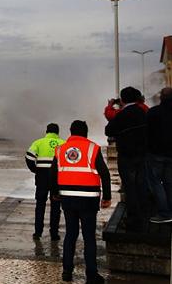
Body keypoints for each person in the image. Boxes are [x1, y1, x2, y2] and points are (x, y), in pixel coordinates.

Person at [50, 120, 111, 284]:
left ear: (71, 132)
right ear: (86, 132)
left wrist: (55, 193)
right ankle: (91, 275)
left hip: (68, 198)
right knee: (89, 236)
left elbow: (53, 173)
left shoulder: (60, 149)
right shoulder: (93, 148)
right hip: (89, 199)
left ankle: (67, 272)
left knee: (70, 234)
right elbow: (104, 174)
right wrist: (107, 197)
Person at [105, 86, 148, 231]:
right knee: (142, 184)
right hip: (143, 154)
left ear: (122, 100)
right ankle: (144, 214)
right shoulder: (143, 111)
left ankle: (134, 219)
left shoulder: (122, 114)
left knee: (130, 187)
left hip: (126, 155)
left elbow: (108, 130)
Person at [25, 123, 65, 240]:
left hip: (42, 177)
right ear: (58, 133)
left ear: (46, 132)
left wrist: (35, 170)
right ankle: (54, 233)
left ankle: (38, 232)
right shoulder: (63, 143)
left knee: (40, 205)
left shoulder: (38, 142)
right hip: (57, 178)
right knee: (56, 206)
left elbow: (29, 157)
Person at [146, 87, 172, 223]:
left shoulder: (153, 112)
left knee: (156, 183)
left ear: (161, 97)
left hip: (156, 153)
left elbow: (146, 132)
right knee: (169, 183)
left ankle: (164, 213)